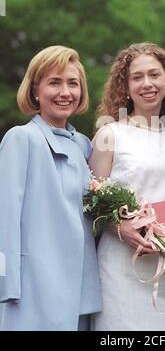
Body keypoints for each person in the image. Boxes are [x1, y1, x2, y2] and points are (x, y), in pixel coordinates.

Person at [0, 45, 102, 330]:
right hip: (33, 291)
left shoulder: (83, 144)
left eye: (73, 83)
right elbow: (4, 220)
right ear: (35, 90)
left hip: (82, 293)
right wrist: (6, 286)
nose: (65, 92)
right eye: (54, 82)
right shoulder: (21, 139)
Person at [89, 42, 165, 331]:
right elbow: (91, 201)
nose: (147, 84)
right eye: (137, 77)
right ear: (126, 85)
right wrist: (122, 228)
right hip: (118, 265)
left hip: (164, 266)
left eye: (154, 75)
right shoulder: (110, 133)